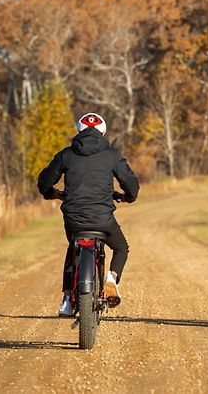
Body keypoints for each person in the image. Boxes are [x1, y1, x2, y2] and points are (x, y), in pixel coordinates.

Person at [37, 112, 139, 316]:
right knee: (121, 248)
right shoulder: (112, 155)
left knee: (73, 249)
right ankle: (111, 279)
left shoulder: (66, 154)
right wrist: (127, 196)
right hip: (103, 219)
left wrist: (52, 194)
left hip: (74, 219)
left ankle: (67, 299)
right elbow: (131, 185)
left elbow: (44, 183)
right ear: (103, 132)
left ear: (79, 131)